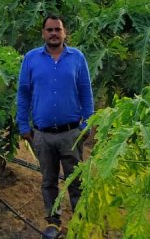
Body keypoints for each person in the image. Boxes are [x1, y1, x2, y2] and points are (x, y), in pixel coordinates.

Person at [16, 14, 94, 239]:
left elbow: (86, 92)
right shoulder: (31, 58)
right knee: (48, 180)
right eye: (49, 30)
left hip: (71, 133)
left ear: (64, 32)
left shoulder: (77, 58)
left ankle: (80, 221)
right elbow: (23, 93)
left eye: (57, 30)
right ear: (43, 33)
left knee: (76, 180)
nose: (53, 34)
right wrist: (23, 124)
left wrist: (88, 123)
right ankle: (53, 222)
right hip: (42, 134)